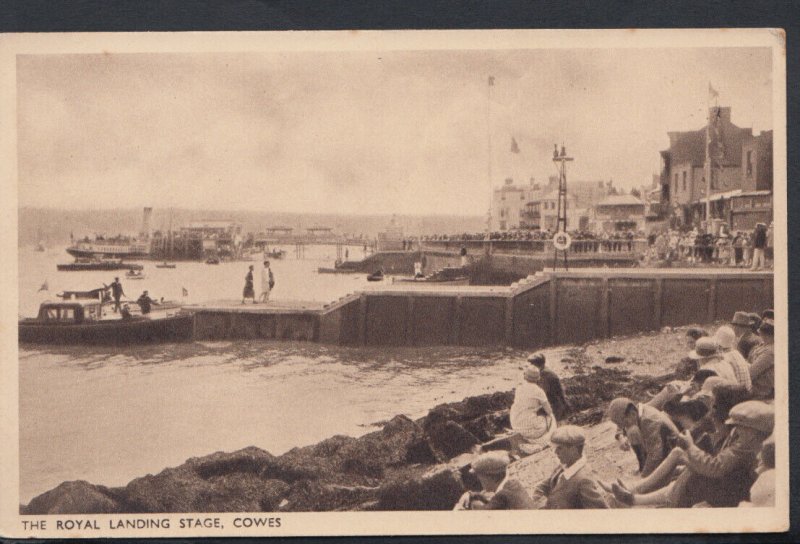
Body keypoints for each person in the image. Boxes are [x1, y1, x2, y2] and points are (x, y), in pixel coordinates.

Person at [530, 426, 608, 509]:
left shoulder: (584, 481)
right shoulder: (564, 466)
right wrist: (540, 502)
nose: (555, 452)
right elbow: (543, 486)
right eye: (555, 448)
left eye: (559, 448)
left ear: (573, 450)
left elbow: (601, 513)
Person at [606, 396, 679, 477]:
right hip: (662, 447)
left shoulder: (648, 421)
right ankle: (644, 466)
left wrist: (644, 476)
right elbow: (621, 423)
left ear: (632, 413)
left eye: (625, 422)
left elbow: (655, 455)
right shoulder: (638, 410)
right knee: (632, 432)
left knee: (651, 479)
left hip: (673, 451)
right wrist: (620, 436)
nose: (623, 426)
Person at [453, 451, 534, 510]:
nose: (478, 479)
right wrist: (471, 494)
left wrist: (460, 510)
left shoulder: (502, 495)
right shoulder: (513, 484)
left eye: (479, 476)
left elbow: (484, 513)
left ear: (489, 477)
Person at [528, 353, 571, 420]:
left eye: (532, 364)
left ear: (537, 364)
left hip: (555, 407)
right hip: (556, 405)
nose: (530, 366)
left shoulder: (545, 374)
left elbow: (541, 394)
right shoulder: (544, 372)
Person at [714, 326, 752, 391]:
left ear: (718, 344)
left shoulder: (724, 358)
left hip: (737, 395)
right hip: (747, 391)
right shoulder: (736, 353)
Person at [748, 312, 774, 400]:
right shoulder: (763, 345)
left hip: (762, 391)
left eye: (763, 334)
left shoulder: (770, 352)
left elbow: (752, 372)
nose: (761, 335)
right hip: (756, 387)